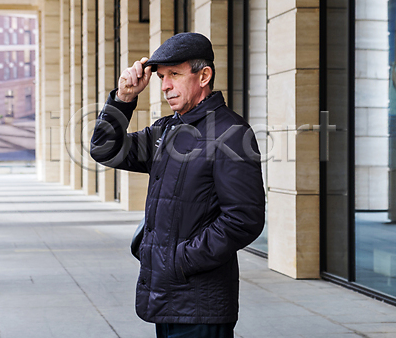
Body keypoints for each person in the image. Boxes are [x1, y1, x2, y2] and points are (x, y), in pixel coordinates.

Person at [90, 32, 265, 338]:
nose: (166, 85)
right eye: (160, 77)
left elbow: (243, 219)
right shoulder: (165, 131)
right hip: (167, 296)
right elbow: (105, 149)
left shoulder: (231, 133)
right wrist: (124, 99)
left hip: (201, 302)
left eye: (174, 74)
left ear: (204, 75)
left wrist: (180, 260)